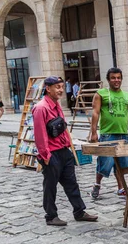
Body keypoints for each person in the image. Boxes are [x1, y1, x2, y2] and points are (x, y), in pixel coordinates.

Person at [33, 76, 98, 226]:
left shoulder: (56, 105)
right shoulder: (41, 108)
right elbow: (40, 134)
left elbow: (62, 129)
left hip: (64, 151)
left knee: (71, 183)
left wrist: (71, 144)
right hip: (51, 153)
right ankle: (51, 216)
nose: (61, 90)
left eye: (62, 86)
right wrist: (45, 155)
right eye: (57, 87)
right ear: (48, 89)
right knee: (50, 186)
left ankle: (79, 211)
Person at [90, 67, 128, 199]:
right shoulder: (100, 94)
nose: (116, 80)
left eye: (119, 78)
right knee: (105, 163)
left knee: (122, 165)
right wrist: (93, 132)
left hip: (123, 135)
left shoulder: (127, 95)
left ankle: (121, 188)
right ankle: (97, 184)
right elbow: (95, 113)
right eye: (113, 78)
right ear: (108, 80)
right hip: (107, 135)